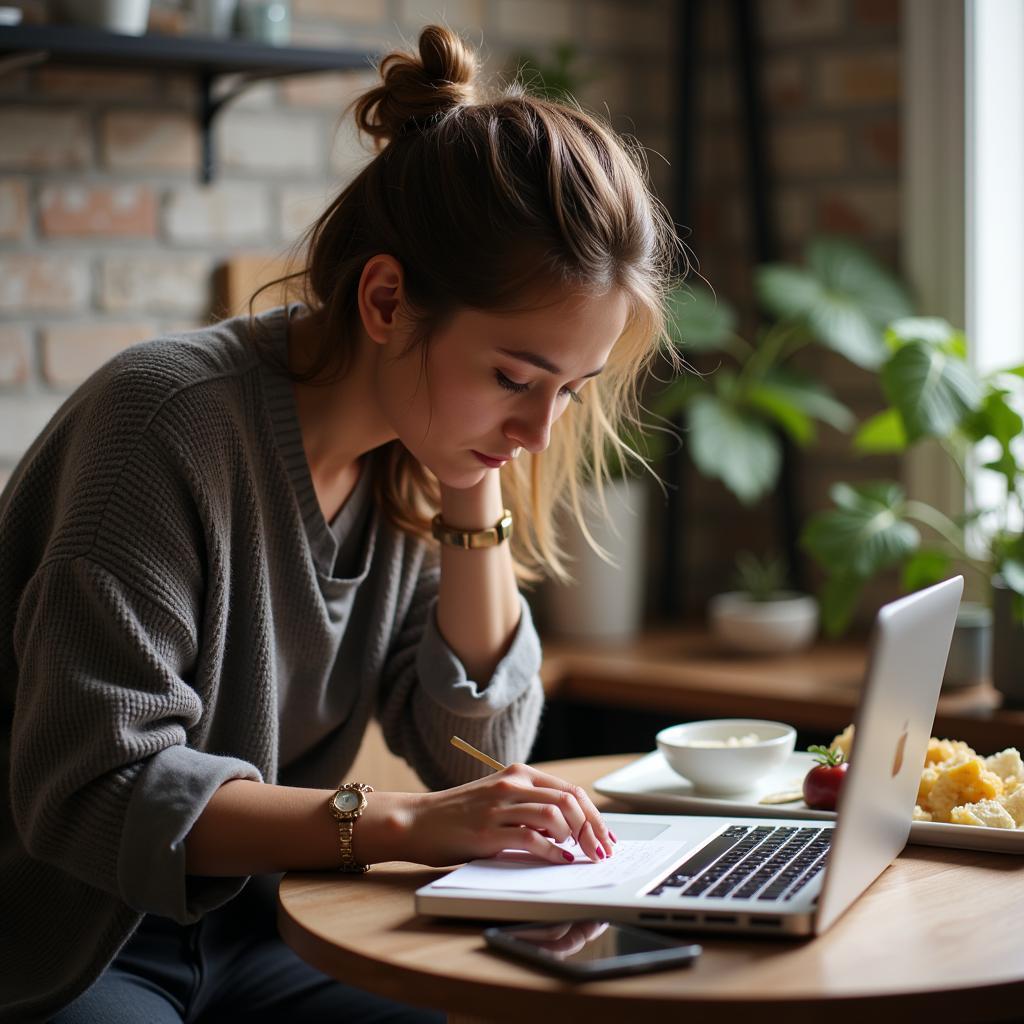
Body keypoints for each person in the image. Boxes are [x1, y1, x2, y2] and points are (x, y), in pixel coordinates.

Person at [0, 24, 681, 1023]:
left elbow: (476, 749)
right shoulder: (162, 427)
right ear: (386, 298)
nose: (540, 430)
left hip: (263, 928)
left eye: (569, 389)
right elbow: (98, 788)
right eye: (512, 377)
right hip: (74, 944)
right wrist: (404, 823)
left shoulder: (418, 455)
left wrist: (471, 482)